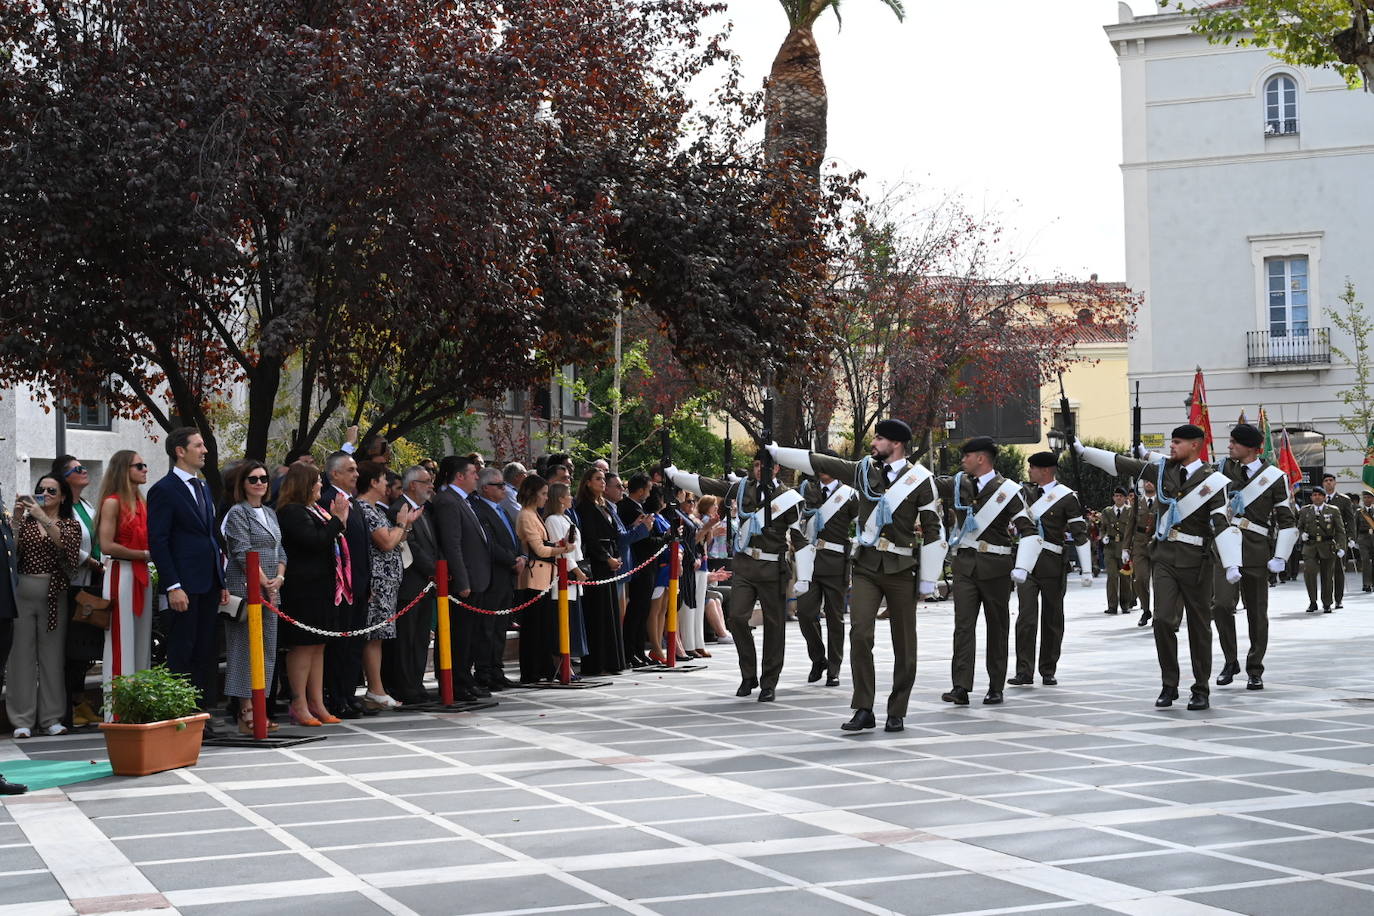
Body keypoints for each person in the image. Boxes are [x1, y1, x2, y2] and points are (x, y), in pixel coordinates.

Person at [772, 424, 943, 729]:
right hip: (865, 566)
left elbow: (933, 529)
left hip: (901, 568)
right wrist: (776, 452)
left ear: (898, 444)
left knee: (904, 643)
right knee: (860, 634)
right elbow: (820, 462)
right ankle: (864, 707)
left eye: (880, 438)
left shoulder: (921, 480)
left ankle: (897, 709)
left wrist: (929, 577)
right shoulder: (863, 470)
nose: (873, 442)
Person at [1076, 425, 1229, 710]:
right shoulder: (1162, 471)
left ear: (1196, 445)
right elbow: (1125, 465)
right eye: (1171, 442)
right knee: (1161, 620)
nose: (1172, 446)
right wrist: (1086, 453)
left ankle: (1200, 688)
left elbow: (1221, 521)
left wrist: (1231, 562)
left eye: (1178, 442)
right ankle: (1169, 684)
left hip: (1197, 560)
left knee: (1199, 625)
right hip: (1165, 556)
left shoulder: (1214, 480)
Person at [667, 452, 806, 703]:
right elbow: (708, 484)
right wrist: (677, 476)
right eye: (754, 465)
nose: (758, 470)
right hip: (745, 565)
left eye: (762, 465)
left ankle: (769, 681)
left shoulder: (788, 498)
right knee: (737, 618)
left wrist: (804, 576)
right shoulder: (742, 490)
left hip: (772, 567)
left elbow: (798, 536)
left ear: (775, 468)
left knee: (775, 627)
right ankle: (748, 674)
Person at [147, 427, 228, 718]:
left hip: (207, 583)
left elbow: (211, 536)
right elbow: (159, 541)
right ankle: (180, 714)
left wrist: (221, 579)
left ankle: (202, 714)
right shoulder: (163, 490)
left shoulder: (203, 487)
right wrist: (173, 585)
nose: (204, 450)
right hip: (184, 584)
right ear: (180, 451)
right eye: (198, 445)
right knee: (183, 649)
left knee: (206, 650)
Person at [1211, 424, 1297, 691]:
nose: (1230, 446)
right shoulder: (1222, 470)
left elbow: (1286, 519)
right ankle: (1230, 660)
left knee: (1257, 613)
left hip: (1256, 549)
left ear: (1250, 447)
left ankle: (1255, 668)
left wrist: (1280, 557)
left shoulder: (1274, 477)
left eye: (1234, 442)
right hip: (1226, 548)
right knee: (1221, 605)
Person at [1008, 452, 1092, 688]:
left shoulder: (1066, 497)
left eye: (1033, 468)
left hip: (1053, 563)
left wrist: (1087, 570)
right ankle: (1024, 671)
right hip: (1027, 563)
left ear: (1045, 470)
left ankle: (1048, 668)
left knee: (1052, 618)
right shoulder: (1024, 494)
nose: (1029, 472)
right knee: (1026, 618)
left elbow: (1079, 533)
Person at [7, 473, 82, 737]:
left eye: (52, 491)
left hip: (54, 594)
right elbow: (10, 551)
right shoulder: (25, 523)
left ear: (62, 496)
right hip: (23, 593)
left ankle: (51, 718)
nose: (46, 495)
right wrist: (17, 517)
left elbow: (67, 548)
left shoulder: (70, 524)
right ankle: (22, 720)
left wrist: (41, 515)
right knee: (20, 658)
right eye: (41, 490)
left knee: (52, 657)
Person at [275, 463, 350, 726]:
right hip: (302, 589)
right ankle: (299, 703)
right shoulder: (291, 512)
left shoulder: (314, 509)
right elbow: (313, 541)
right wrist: (338, 520)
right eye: (318, 480)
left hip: (323, 587)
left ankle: (317, 702)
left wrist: (336, 522)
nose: (321, 485)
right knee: (303, 646)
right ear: (304, 484)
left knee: (319, 646)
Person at [221, 460, 286, 734]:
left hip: (271, 590)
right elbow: (242, 552)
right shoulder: (238, 513)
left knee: (267, 651)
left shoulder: (270, 513)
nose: (260, 483)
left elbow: (280, 551)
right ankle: (244, 709)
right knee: (244, 649)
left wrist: (278, 578)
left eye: (263, 478)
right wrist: (264, 582)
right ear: (242, 484)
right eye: (253, 479)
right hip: (246, 589)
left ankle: (261, 707)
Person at [431, 455, 496, 700]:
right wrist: (463, 580)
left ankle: (465, 678)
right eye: (472, 473)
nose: (477, 477)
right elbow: (452, 544)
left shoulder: (465, 501)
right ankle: (456, 682)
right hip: (464, 580)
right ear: (459, 476)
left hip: (479, 576)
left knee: (470, 634)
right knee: (459, 634)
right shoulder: (447, 501)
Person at [356, 461, 420, 710]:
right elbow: (385, 542)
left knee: (380, 636)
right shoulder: (364, 508)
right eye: (384, 480)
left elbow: (395, 537)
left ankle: (377, 688)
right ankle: (375, 689)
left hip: (388, 583)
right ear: (373, 482)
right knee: (374, 636)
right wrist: (402, 524)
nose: (387, 486)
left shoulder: (376, 509)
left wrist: (407, 524)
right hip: (376, 584)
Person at [792, 453, 857, 689]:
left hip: (835, 562)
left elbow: (864, 523)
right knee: (806, 614)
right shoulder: (805, 491)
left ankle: (834, 668)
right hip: (809, 560)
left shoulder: (849, 495)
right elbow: (795, 522)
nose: (823, 469)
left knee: (835, 618)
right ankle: (818, 659)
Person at [96, 451, 154, 715]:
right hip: (122, 573)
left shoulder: (141, 502)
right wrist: (142, 555)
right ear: (124, 469)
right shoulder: (112, 502)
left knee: (142, 642)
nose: (144, 469)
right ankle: (117, 710)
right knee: (121, 641)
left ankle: (139, 706)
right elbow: (106, 545)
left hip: (141, 573)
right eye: (138, 466)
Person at [319, 451, 373, 718]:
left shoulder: (355, 503)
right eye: (350, 470)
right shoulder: (328, 501)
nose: (356, 474)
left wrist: (368, 581)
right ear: (335, 474)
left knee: (355, 644)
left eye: (356, 470)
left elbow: (363, 547)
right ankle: (337, 695)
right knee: (339, 646)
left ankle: (350, 694)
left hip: (360, 585)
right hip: (341, 588)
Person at [51, 456, 103, 727]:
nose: (84, 471)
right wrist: (91, 561)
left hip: (92, 582)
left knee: (87, 648)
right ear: (64, 476)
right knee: (73, 647)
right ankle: (70, 705)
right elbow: (64, 542)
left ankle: (81, 701)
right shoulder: (61, 506)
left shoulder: (87, 505)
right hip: (72, 585)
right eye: (78, 469)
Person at [384, 465, 438, 704]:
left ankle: (416, 684)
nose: (431, 485)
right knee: (406, 639)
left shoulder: (424, 510)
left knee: (420, 638)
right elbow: (411, 547)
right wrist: (435, 570)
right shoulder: (399, 509)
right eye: (426, 481)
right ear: (413, 484)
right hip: (409, 585)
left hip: (425, 585)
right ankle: (404, 686)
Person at [469, 466, 525, 690]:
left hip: (508, 575)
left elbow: (514, 536)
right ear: (485, 488)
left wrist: (521, 555)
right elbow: (489, 543)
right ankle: (485, 671)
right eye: (499, 485)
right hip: (494, 574)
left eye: (504, 484)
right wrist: (512, 560)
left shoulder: (501, 509)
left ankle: (496, 668)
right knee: (488, 627)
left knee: (501, 626)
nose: (504, 489)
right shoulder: (479, 509)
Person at [515, 475, 575, 682]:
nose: (545, 498)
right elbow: (539, 549)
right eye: (542, 494)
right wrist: (562, 548)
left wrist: (558, 544)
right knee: (534, 626)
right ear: (532, 494)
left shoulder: (534, 514)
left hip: (544, 575)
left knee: (543, 626)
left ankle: (542, 667)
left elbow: (543, 544)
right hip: (535, 576)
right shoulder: (526, 515)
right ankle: (532, 671)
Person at [575, 467, 627, 675]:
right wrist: (607, 558)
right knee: (598, 613)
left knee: (610, 611)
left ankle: (611, 661)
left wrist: (616, 557)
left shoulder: (604, 505)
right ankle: (597, 662)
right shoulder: (585, 507)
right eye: (598, 479)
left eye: (604, 479)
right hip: (597, 565)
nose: (602, 482)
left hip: (611, 561)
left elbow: (614, 533)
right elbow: (591, 538)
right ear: (587, 482)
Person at [541, 481, 589, 664]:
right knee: (562, 622)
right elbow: (560, 549)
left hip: (574, 576)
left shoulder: (567, 518)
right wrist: (575, 570)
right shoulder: (552, 520)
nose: (571, 498)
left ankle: (567, 663)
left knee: (570, 622)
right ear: (560, 498)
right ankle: (560, 664)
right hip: (563, 577)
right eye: (568, 495)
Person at [617, 474, 658, 666]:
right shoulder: (627, 507)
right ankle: (630, 650)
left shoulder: (638, 507)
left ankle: (639, 650)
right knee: (636, 609)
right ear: (641, 490)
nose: (649, 493)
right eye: (648, 489)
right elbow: (640, 538)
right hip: (638, 562)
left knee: (643, 609)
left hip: (646, 563)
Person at [1299, 486, 1346, 613]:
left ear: (1324, 497)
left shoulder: (1333, 510)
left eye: (1320, 495)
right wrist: (1301, 534)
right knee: (1309, 573)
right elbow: (1299, 527)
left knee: (1327, 576)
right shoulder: (1305, 510)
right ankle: (1312, 601)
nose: (1317, 497)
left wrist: (1341, 547)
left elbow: (1340, 531)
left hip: (1327, 546)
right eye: (1314, 495)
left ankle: (1327, 603)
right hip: (1310, 546)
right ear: (1311, 497)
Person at [1124, 479, 1158, 627]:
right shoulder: (1137, 503)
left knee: (1160, 582)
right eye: (1146, 481)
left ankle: (1159, 613)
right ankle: (1145, 610)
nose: (1149, 484)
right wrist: (1126, 548)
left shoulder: (1163, 501)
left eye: (1152, 481)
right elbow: (1130, 525)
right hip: (1140, 546)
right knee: (1140, 579)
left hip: (1158, 545)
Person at [1320, 473, 1356, 608]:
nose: (1328, 483)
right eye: (1326, 481)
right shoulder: (1319, 499)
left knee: (1339, 570)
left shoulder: (1344, 500)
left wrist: (1351, 538)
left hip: (1339, 539)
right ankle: (1326, 600)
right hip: (1323, 541)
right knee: (1325, 571)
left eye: (1331, 480)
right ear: (1323, 484)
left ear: (1335, 483)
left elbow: (1350, 520)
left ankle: (1338, 599)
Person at [1099, 487, 1133, 615]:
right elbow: (1102, 528)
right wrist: (1104, 537)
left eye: (1121, 496)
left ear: (1125, 498)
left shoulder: (1130, 511)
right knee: (1112, 576)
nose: (1118, 498)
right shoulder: (1107, 512)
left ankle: (1125, 604)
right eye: (1116, 496)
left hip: (1125, 548)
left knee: (1125, 577)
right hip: (1111, 548)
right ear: (1113, 498)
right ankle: (1112, 605)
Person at [1357, 491, 1374, 593]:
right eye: (1365, 498)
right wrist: (1354, 539)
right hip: (1363, 538)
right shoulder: (1359, 512)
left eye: (1369, 497)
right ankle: (1366, 583)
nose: (1367, 499)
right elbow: (1355, 526)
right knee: (1366, 561)